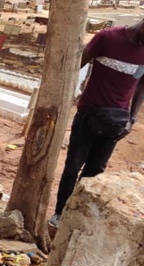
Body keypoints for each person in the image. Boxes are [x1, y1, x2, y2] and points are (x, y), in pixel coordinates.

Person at [50, 20, 144, 227]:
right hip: (89, 113)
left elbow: (141, 85)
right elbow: (76, 66)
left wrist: (132, 117)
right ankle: (59, 213)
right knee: (73, 166)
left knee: (95, 172)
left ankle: (75, 217)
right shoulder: (107, 38)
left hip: (116, 120)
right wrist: (70, 94)